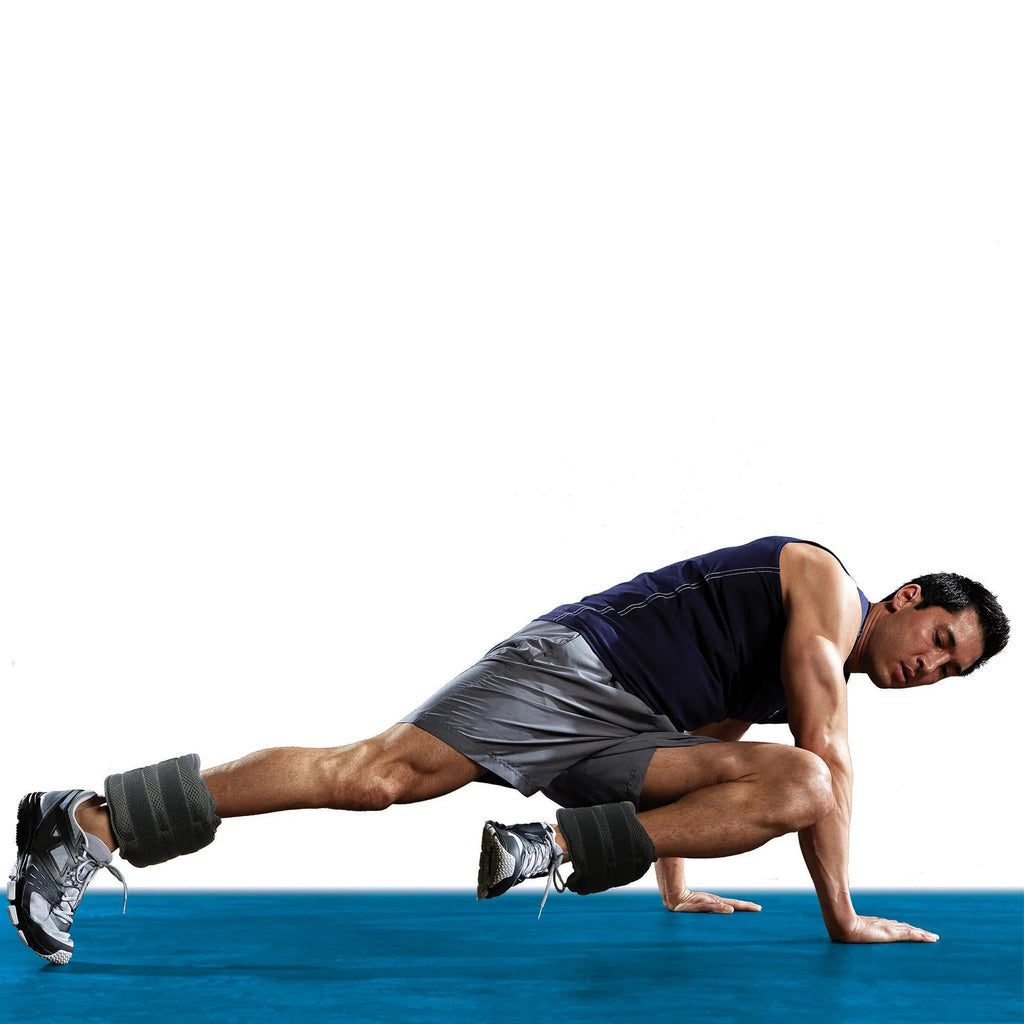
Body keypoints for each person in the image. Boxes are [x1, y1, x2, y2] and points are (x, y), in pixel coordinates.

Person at [7, 536, 1009, 964]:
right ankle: (87, 820)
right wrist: (840, 918)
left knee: (792, 783)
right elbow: (829, 751)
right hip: (579, 669)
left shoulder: (791, 665)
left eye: (949, 672)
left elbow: (714, 749)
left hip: (629, 731)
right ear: (908, 597)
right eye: (939, 640)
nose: (929, 667)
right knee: (376, 777)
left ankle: (551, 849)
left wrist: (673, 883)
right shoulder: (824, 587)